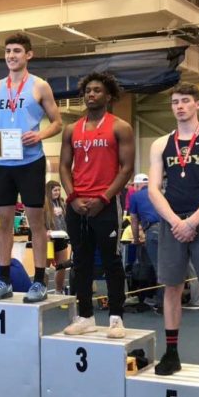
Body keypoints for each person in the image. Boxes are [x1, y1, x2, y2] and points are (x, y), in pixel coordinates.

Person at [147, 82, 199, 380]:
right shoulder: (160, 144)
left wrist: (193, 222)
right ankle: (171, 354)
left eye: (185, 101)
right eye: (174, 102)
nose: (179, 106)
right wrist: (175, 222)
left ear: (198, 104)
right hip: (172, 223)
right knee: (171, 287)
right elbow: (154, 189)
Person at [0, 33, 63, 303]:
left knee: (36, 223)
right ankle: (3, 279)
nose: (11, 55)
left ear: (28, 55)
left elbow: (57, 122)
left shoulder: (40, 86)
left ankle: (39, 281)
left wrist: (40, 135)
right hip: (2, 162)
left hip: (30, 162)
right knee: (2, 223)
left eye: (16, 51)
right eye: (7, 51)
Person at [58, 72, 135, 339]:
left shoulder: (120, 127)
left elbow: (127, 169)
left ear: (109, 95)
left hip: (106, 204)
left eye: (97, 90)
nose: (91, 94)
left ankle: (116, 318)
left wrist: (104, 198)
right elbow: (64, 166)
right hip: (77, 205)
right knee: (81, 262)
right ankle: (85, 316)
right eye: (88, 90)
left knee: (112, 261)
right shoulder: (72, 129)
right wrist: (71, 197)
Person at [129, 173, 162, 306]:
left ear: (138, 185)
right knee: (168, 266)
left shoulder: (135, 196)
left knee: (158, 268)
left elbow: (134, 220)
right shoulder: (159, 192)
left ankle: (160, 301)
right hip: (168, 230)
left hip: (152, 231)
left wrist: (136, 239)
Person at [44, 180, 69, 293]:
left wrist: (64, 212)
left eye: (59, 190)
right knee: (45, 267)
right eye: (55, 190)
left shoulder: (62, 203)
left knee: (62, 266)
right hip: (48, 239)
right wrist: (45, 231)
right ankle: (42, 290)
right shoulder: (44, 204)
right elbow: (38, 221)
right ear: (49, 191)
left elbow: (67, 220)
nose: (57, 192)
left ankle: (58, 290)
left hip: (61, 237)